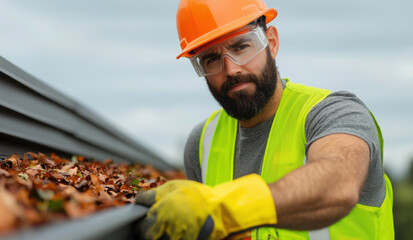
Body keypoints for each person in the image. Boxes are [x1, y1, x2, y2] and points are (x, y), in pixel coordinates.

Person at [135, 0, 395, 239]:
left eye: (241, 46)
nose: (231, 68)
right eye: (211, 59)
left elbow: (338, 185)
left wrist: (224, 210)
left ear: (271, 42)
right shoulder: (201, 144)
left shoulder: (334, 114)